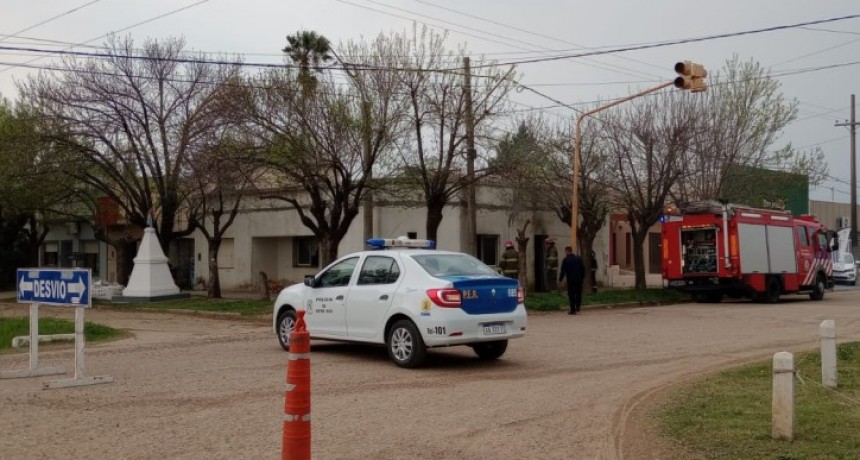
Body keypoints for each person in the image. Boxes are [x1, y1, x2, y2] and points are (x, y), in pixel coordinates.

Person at [558, 246, 585, 315]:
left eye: (565, 251)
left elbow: (563, 271)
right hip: (579, 280)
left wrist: (560, 280)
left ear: (567, 251)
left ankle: (573, 309)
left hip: (571, 280)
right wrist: (582, 277)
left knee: (571, 294)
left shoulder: (566, 260)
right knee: (578, 294)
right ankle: (578, 307)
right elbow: (583, 269)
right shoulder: (579, 259)